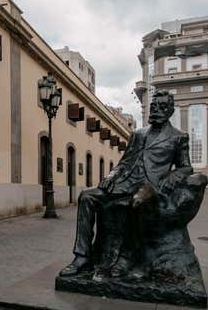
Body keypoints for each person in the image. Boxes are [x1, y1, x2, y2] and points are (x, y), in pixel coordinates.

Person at [60, 90, 193, 277]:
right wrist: (110, 176)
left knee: (137, 202)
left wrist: (171, 178)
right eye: (154, 106)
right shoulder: (138, 134)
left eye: (162, 107)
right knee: (87, 196)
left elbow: (186, 167)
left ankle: (126, 257)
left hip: (150, 187)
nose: (156, 110)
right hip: (124, 183)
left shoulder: (179, 137)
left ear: (171, 110)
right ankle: (82, 256)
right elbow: (123, 162)